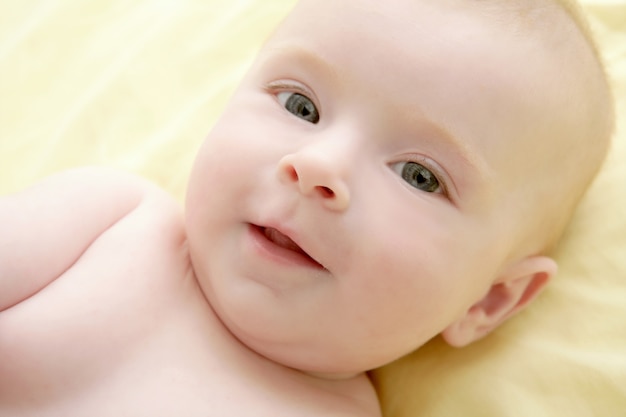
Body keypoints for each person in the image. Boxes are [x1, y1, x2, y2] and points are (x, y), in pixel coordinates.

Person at [0, 0, 614, 415]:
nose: (319, 166)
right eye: (300, 107)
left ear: (490, 300)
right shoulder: (111, 219)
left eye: (419, 175)